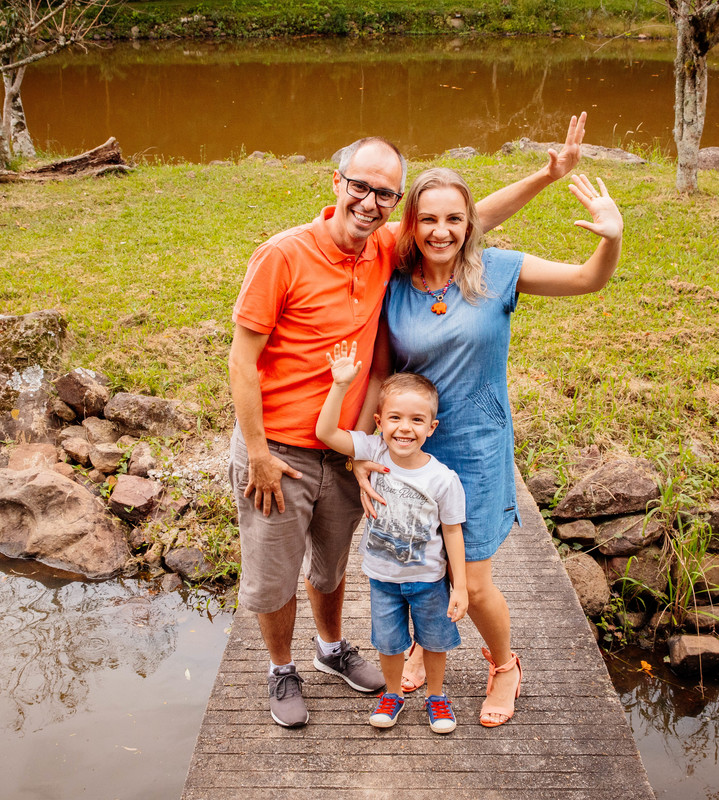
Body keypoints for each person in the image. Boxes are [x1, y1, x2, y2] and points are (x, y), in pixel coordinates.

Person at [228, 116, 588, 728]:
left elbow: (468, 223)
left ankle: (333, 648)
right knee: (271, 575)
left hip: (348, 445)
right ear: (336, 181)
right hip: (280, 449)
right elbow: (241, 358)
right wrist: (257, 451)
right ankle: (281, 668)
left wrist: (546, 176)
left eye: (385, 194)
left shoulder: (380, 251)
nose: (370, 203)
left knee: (333, 564)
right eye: (360, 187)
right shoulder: (282, 255)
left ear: (394, 202)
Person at [377, 166, 623, 727]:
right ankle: (424, 642)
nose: (442, 231)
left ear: (472, 224)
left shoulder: (498, 270)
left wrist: (611, 239)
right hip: (413, 450)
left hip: (480, 447)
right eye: (429, 219)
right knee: (423, 560)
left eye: (455, 219)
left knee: (477, 580)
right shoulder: (392, 280)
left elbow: (589, 280)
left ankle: (505, 664)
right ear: (411, 224)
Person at [315, 345, 468, 734]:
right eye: (395, 418)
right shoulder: (372, 449)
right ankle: (394, 694)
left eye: (417, 420)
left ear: (431, 428)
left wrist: (460, 587)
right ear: (379, 421)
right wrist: (340, 385)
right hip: (382, 578)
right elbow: (326, 433)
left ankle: (437, 697)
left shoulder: (443, 479)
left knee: (434, 642)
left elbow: (452, 531)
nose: (405, 428)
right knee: (388, 642)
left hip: (429, 580)